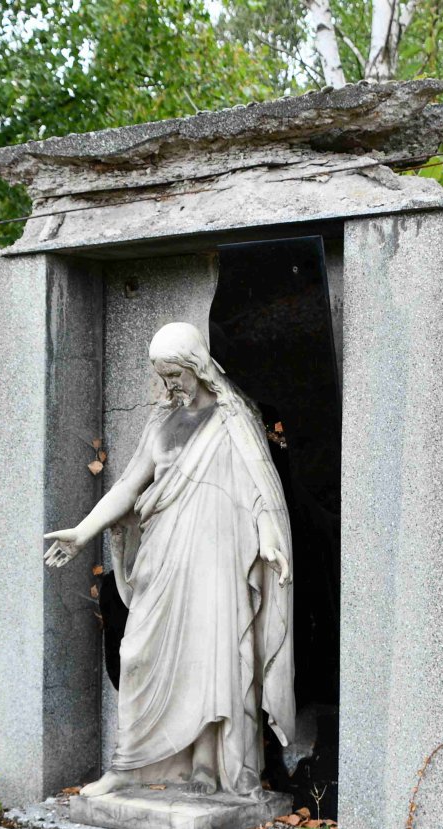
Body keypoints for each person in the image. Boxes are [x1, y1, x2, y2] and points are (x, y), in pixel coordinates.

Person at [44, 322, 294, 800]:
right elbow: (128, 485)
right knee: (136, 654)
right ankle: (128, 766)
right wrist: (82, 532)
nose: (170, 384)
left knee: (212, 655)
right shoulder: (161, 422)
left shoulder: (233, 419)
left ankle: (207, 764)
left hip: (218, 556)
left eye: (176, 374)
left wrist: (268, 539)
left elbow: (260, 491)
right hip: (163, 555)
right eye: (162, 376)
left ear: (197, 366)